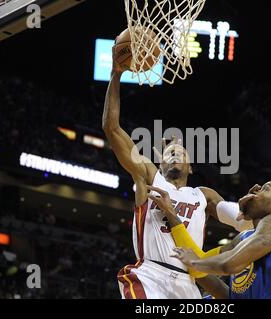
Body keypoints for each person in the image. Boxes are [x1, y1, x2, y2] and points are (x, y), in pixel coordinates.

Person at [102, 47, 253, 299]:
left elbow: (242, 223)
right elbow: (111, 127)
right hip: (149, 276)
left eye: (181, 151)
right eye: (169, 152)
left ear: (192, 166)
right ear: (159, 163)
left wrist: (252, 209)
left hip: (187, 284)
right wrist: (115, 75)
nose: (174, 153)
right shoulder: (149, 176)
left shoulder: (202, 194)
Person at [148, 179, 271, 299]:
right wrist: (171, 215)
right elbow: (200, 266)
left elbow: (228, 265)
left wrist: (195, 262)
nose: (256, 192)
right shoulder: (243, 238)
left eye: (265, 189)